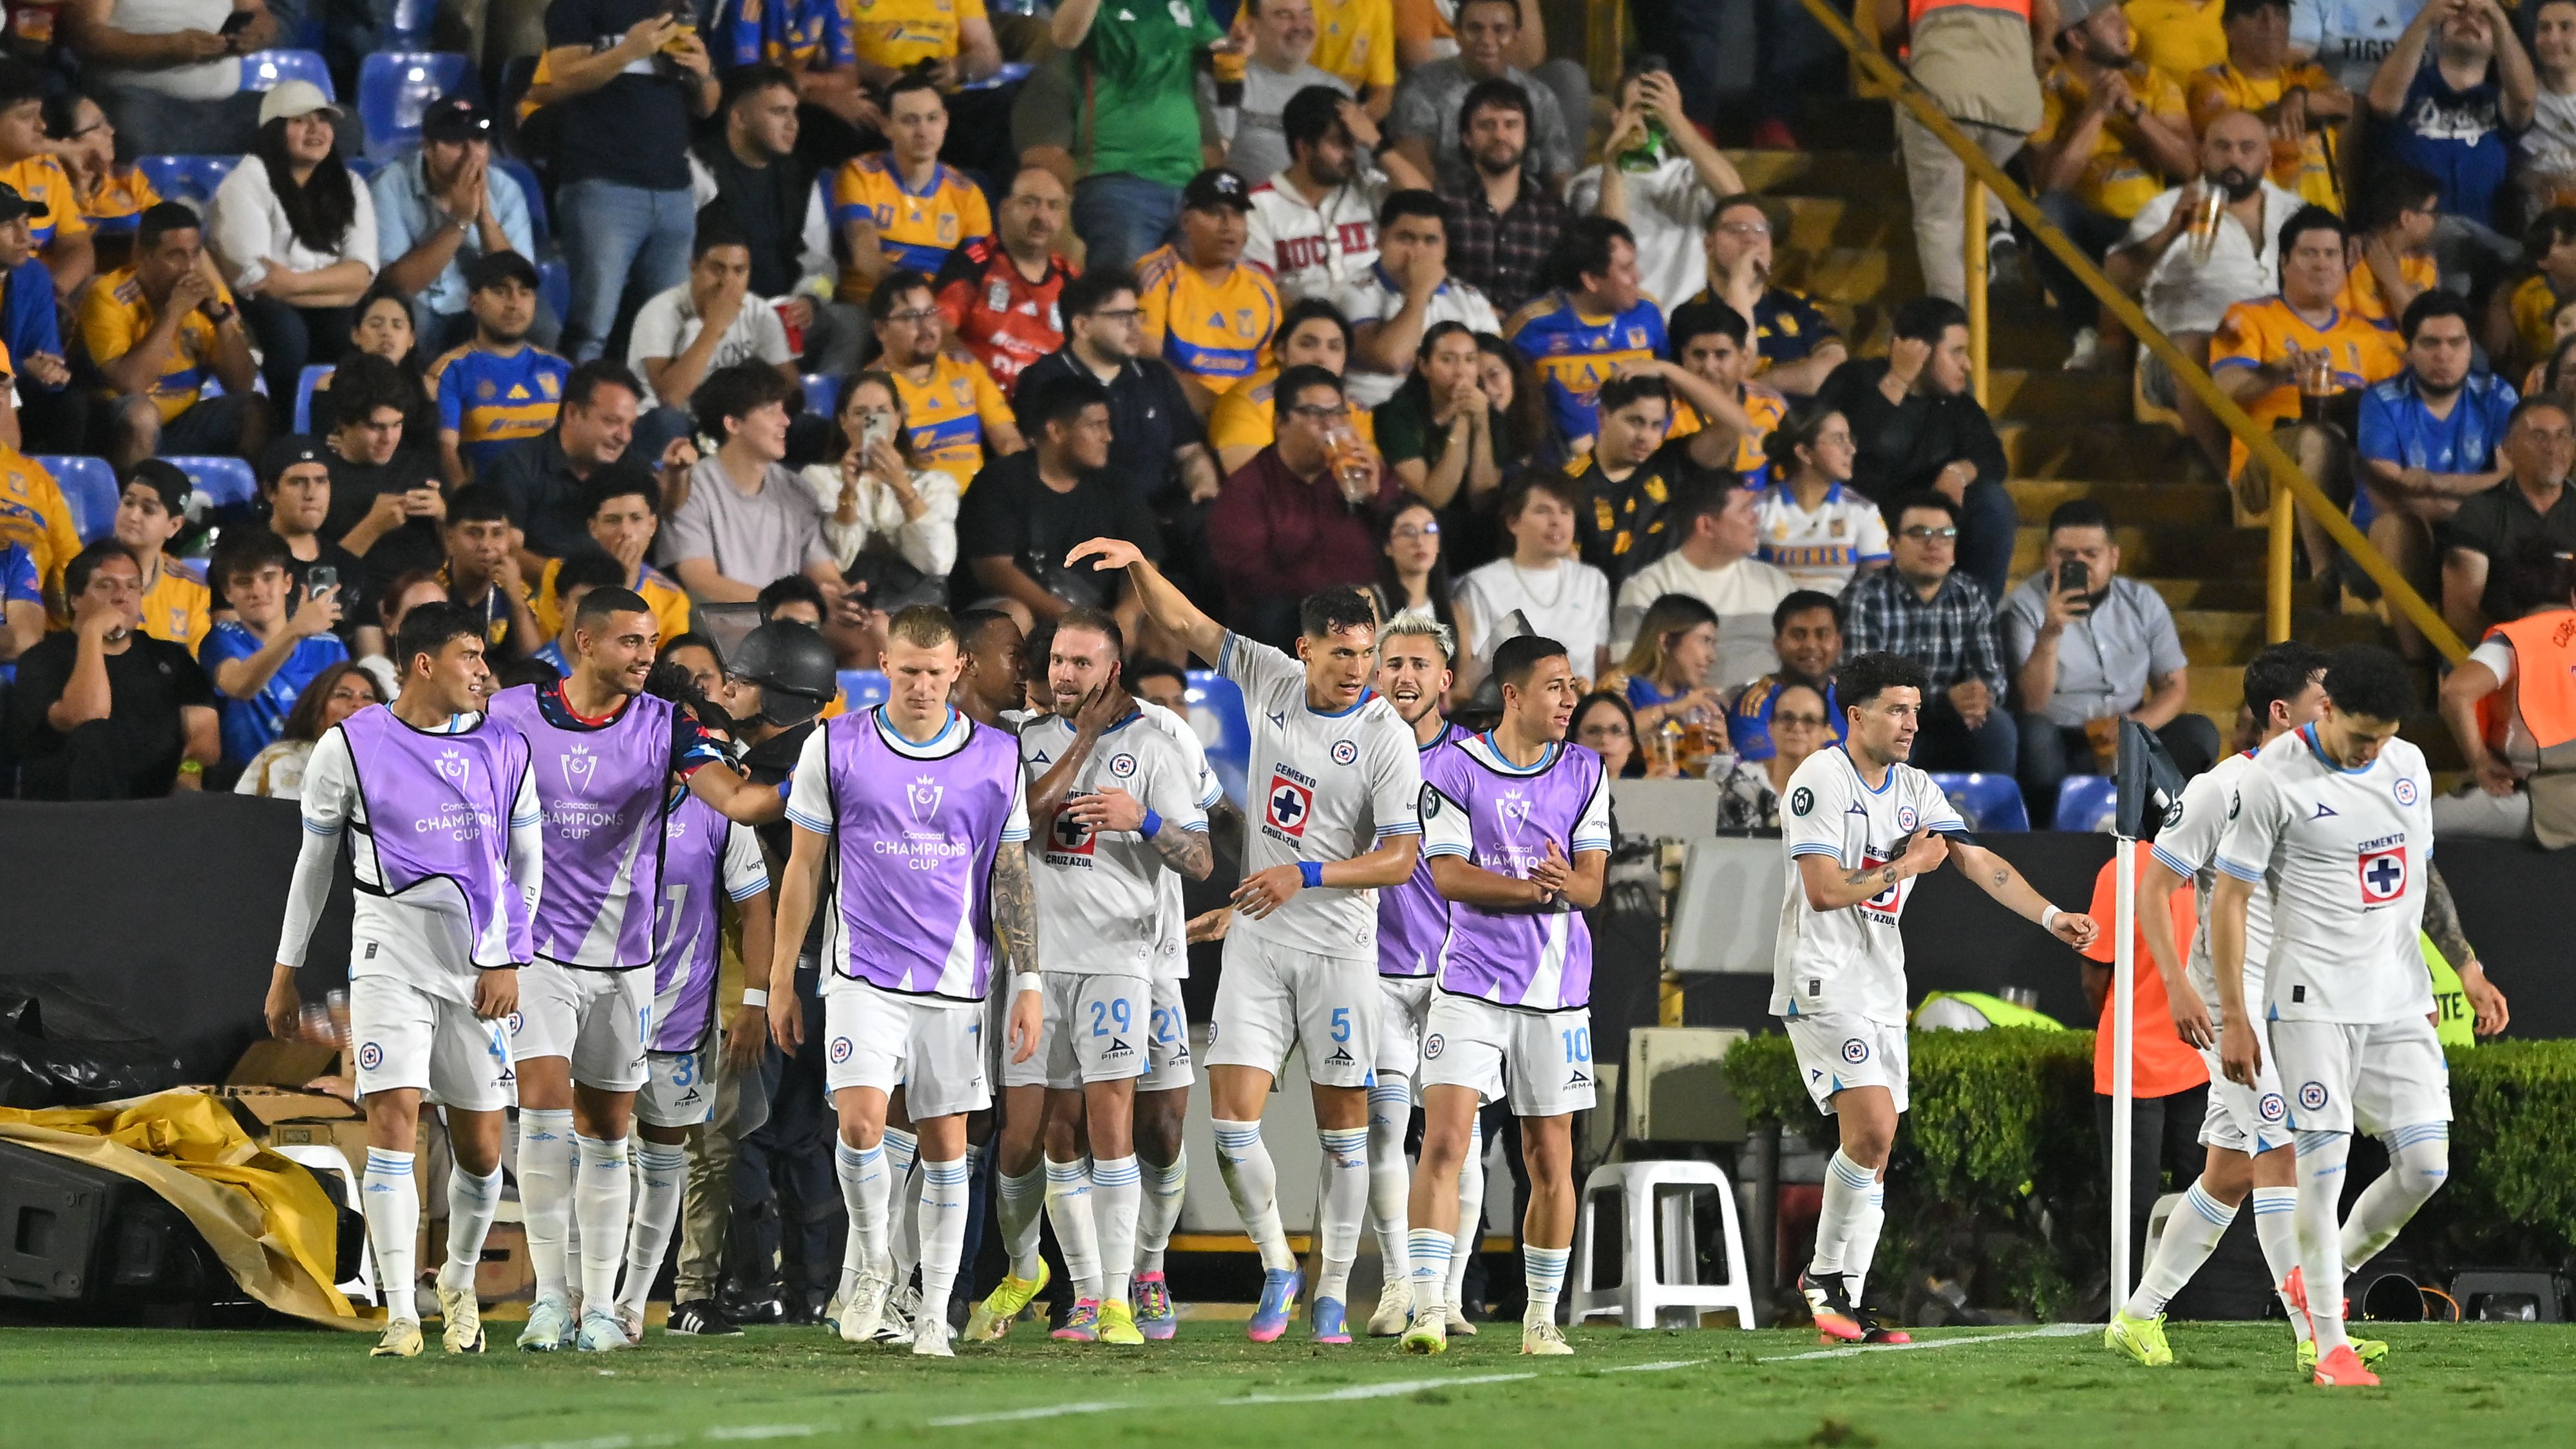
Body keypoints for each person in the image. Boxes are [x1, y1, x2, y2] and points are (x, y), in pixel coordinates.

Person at [1061, 538, 1423, 1347]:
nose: (1356, 668)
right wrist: (1138, 563)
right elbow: (1185, 621)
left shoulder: (1386, 736)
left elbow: (1399, 859)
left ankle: (1332, 1292)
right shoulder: (1272, 680)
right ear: (1306, 649)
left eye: (1366, 654)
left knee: (1342, 1132)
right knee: (1230, 1128)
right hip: (1260, 943)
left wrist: (1309, 874)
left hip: (1338, 950)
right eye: (1341, 654)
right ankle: (1277, 1269)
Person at [486, 580, 784, 1352]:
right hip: (540, 951)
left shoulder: (668, 724)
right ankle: (552, 1301)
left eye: (652, 643)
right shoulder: (512, 714)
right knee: (547, 1119)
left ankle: (605, 1309)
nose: (645, 656)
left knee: (610, 1134)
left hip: (626, 964)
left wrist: (807, 782)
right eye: (630, 641)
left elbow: (735, 801)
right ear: (582, 642)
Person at [1777, 650, 2098, 1343]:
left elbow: (1978, 860)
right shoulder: (1820, 780)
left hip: (1879, 983)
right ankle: (1827, 1281)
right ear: (1855, 714)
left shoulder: (1915, 787)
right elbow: (1824, 890)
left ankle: (1841, 1300)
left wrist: (2051, 917)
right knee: (1871, 1131)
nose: (1910, 724)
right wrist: (1905, 864)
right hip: (1822, 978)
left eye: (1916, 712)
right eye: (1896, 710)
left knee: (1875, 1148)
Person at [2208, 645, 2507, 1386]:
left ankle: (2325, 1270)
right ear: (2326, 710)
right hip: (2309, 1003)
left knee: (2425, 1165)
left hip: (2398, 998)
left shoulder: (2405, 764)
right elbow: (2229, 900)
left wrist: (2465, 966)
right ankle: (2329, 1343)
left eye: (2383, 736)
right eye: (2359, 737)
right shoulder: (2273, 780)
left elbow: (2418, 872)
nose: (2371, 751)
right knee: (2322, 1171)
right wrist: (2238, 1018)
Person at [763, 605, 1042, 1359]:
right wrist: (782, 979)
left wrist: (1030, 981)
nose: (921, 685)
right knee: (859, 1124)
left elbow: (1010, 874)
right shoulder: (835, 745)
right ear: (883, 666)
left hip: (957, 978)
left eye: (935, 671)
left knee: (947, 1145)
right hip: (862, 972)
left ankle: (930, 1315)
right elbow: (803, 868)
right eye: (907, 670)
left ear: (959, 671)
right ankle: (872, 1264)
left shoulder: (995, 756)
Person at [258, 599, 531, 1359]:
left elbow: (528, 866)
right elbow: (313, 868)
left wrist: (509, 954)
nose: (485, 672)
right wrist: (285, 971)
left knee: (480, 1150)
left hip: (477, 963)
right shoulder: (348, 746)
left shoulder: (506, 746)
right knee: (394, 1125)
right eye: (471, 656)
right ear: (423, 663)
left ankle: (459, 1283)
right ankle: (401, 1313)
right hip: (388, 954)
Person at [2102, 641, 2324, 1367]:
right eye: (2326, 701)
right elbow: (2151, 889)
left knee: (2228, 1173)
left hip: (2289, 1007)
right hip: (2232, 1015)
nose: (2339, 715)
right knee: (2282, 1149)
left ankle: (2137, 1316)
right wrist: (2177, 986)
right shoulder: (2218, 789)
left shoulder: (2324, 793)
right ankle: (2315, 1338)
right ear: (2282, 712)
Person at [998, 609, 1213, 1345]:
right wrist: (1081, 742)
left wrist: (1143, 820)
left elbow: (1203, 860)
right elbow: (1017, 824)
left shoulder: (1157, 742)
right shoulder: (1022, 740)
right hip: (1039, 964)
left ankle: (1134, 1282)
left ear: (1111, 670)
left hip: (1127, 959)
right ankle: (1088, 1296)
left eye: (1081, 663)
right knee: (1058, 1131)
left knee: (1138, 1126)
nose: (1064, 674)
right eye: (1057, 660)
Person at [1401, 631, 1605, 1356]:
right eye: (1556, 686)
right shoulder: (1453, 767)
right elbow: (1450, 876)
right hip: (1471, 983)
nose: (1571, 699)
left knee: (1551, 1157)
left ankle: (1540, 1319)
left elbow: (1590, 885)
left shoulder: (1585, 769)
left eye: (1573, 685)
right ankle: (1427, 1309)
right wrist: (1537, 890)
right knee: (1446, 1141)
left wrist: (1560, 890)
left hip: (1558, 991)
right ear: (1513, 694)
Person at [614, 662, 774, 1343]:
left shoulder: (718, 814)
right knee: (592, 1153)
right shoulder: (593, 801)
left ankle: (688, 1294)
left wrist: (754, 1001)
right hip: (600, 1008)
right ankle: (582, 1294)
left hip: (691, 1014)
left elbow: (755, 909)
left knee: (705, 1159)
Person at [1356, 612, 1472, 1338]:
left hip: (1456, 974)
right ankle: (1399, 1283)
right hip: (1372, 969)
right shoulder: (1353, 749)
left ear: (1445, 679)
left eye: (1418, 665)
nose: (1404, 676)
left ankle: (1449, 1292)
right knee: (1383, 1128)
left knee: (1456, 1139)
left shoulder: (1473, 761)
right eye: (1391, 663)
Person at [2108, 111, 2310, 463]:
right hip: (2183, 356)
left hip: (2275, 342)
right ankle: (2234, 481)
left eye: (2247, 148)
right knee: (2194, 347)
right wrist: (2172, 231)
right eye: (2223, 147)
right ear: (2203, 156)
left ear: (2268, 158)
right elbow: (2114, 280)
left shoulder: (2299, 213)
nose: (2234, 157)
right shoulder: (2168, 208)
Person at [2211, 205, 2404, 574]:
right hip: (2264, 460)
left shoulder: (2367, 336)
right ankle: (2324, 573)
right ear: (2284, 262)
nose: (2322, 264)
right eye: (2309, 253)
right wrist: (2281, 371)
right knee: (2319, 439)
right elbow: (2225, 389)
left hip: (2348, 452)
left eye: (2331, 254)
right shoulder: (2245, 317)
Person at [2003, 498, 2215, 820]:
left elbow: (2174, 688)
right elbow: (2030, 704)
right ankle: (2050, 839)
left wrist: (2134, 727)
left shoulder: (2143, 601)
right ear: (2048, 557)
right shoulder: (2023, 605)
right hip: (2063, 738)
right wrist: (2050, 634)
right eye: (2066, 555)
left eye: (2091, 554)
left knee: (2199, 732)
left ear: (2113, 557)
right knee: (2034, 735)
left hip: (2131, 730)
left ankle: (2167, 829)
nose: (2080, 563)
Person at [540, 0, 717, 364]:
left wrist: (705, 73)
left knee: (670, 333)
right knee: (591, 329)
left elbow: (707, 106)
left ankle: (653, 420)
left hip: (674, 190)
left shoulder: (675, 7)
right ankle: (575, 415)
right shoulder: (574, 7)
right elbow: (562, 80)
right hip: (602, 186)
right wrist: (627, 52)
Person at [1812, 297, 2014, 601]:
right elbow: (1845, 446)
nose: (1968, 365)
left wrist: (1958, 473)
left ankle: (1976, 613)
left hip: (1928, 527)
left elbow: (1992, 459)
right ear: (1918, 350)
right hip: (1859, 519)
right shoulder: (1855, 379)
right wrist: (1898, 380)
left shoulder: (1957, 404)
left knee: (1993, 501)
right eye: (1957, 352)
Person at [2032, 0, 2199, 365]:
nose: (2126, 28)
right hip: (2089, 229)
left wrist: (2135, 113)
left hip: (2154, 224)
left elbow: (2188, 167)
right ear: (2076, 37)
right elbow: (2051, 185)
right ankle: (2086, 330)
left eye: (2122, 16)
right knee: (2047, 212)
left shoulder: (2152, 80)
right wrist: (2095, 112)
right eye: (2109, 20)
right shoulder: (2050, 89)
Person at [2358, 291, 2517, 657]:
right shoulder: (2382, 400)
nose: (2443, 354)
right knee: (2399, 526)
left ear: (2470, 347)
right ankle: (2417, 666)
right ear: (2409, 349)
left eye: (2455, 342)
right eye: (2430, 343)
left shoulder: (2497, 394)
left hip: (2475, 533)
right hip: (2390, 536)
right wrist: (2473, 501)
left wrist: (2433, 483)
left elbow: (2508, 479)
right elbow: (2393, 490)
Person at [205, 83, 378, 406]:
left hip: (307, 299)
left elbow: (361, 276)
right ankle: (281, 423)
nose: (316, 129)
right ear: (274, 130)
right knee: (287, 332)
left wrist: (294, 283)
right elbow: (257, 282)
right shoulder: (247, 180)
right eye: (300, 120)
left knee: (356, 327)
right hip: (256, 306)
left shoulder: (350, 184)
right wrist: (337, 288)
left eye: (323, 120)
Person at [8, 541, 218, 798]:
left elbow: (205, 736)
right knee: (96, 736)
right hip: (70, 816)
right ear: (75, 598)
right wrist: (92, 633)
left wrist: (189, 772)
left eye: (132, 586)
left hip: (159, 806)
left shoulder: (173, 658)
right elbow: (88, 716)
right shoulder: (42, 659)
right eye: (105, 586)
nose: (122, 596)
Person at [1206, 364, 1400, 641]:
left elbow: (1408, 532)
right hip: (1296, 617)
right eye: (1315, 415)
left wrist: (1377, 497)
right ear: (1280, 424)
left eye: (1338, 414)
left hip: (1371, 604)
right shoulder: (1247, 489)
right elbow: (1248, 578)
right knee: (1271, 616)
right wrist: (1331, 603)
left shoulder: (1366, 472)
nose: (1331, 425)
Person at [1012, 267, 1224, 519]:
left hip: (1164, 512)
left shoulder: (1155, 376)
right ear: (1082, 326)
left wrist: (1203, 484)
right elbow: (1041, 465)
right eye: (1122, 317)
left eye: (1137, 314)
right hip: (1087, 518)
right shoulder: (1046, 380)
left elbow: (1190, 452)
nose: (1135, 327)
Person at [958, 373, 1165, 629]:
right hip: (1033, 614)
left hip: (1101, 619)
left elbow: (1144, 561)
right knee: (1012, 617)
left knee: (1164, 621)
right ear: (1056, 431)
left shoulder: (1119, 486)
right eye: (1095, 426)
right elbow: (993, 569)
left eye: (1107, 425)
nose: (1108, 436)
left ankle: (1158, 672)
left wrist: (1127, 614)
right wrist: (1069, 619)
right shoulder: (1002, 480)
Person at [687, 68, 850, 379]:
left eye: (794, 113)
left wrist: (810, 299)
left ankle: (826, 409)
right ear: (739, 118)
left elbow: (819, 262)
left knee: (850, 323)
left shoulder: (801, 175)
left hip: (783, 316)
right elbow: (681, 262)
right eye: (779, 112)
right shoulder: (699, 167)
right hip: (718, 319)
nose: (792, 124)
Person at [1839, 492, 2016, 775]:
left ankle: (1990, 817)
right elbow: (1864, 687)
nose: (1933, 543)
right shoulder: (1864, 597)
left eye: (1945, 534)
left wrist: (1979, 696)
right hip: (1890, 722)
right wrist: (1943, 700)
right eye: (1919, 533)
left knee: (1998, 727)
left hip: (1956, 722)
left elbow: (1993, 678)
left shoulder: (1971, 596)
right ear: (1893, 545)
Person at [79, 200, 264, 469]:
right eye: (176, 256)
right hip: (117, 425)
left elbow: (241, 384)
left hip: (184, 419)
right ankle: (136, 504)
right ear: (143, 256)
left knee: (254, 409)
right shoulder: (108, 297)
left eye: (195, 254)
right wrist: (174, 313)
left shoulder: (207, 293)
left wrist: (220, 317)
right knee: (142, 416)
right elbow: (132, 385)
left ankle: (256, 503)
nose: (190, 267)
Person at [1046, 0, 1224, 276]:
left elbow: (1216, 55)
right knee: (1120, 300)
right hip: (1119, 179)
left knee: (1185, 307)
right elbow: (1063, 37)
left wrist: (1236, 47)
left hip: (1188, 181)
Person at [2365, 0, 2533, 283]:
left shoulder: (2499, 100)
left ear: (2498, 43)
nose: (2470, 20)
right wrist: (2427, 16)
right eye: (2459, 15)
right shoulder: (2410, 86)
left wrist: (2497, 14)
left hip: (2482, 253)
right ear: (2439, 33)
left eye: (2482, 20)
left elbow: (2526, 99)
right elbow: (2381, 102)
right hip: (2412, 250)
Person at [371, 97, 540, 356]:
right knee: (406, 319)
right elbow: (397, 285)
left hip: (478, 303)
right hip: (419, 303)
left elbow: (518, 280)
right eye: (456, 143)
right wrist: (459, 221)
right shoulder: (390, 185)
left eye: (479, 141)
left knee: (538, 323)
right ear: (427, 147)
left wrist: (483, 217)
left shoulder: (504, 189)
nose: (472, 154)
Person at [1566, 63, 1742, 310]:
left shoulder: (1689, 175)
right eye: (1641, 108)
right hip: (1627, 323)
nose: (1651, 118)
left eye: (1659, 109)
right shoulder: (1591, 182)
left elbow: (1737, 198)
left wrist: (1677, 121)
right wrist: (1615, 160)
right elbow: (1612, 241)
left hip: (1687, 326)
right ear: (1617, 117)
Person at [2437, 537, 2576, 842]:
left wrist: (2480, 763)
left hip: (2542, 800)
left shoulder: (2518, 640)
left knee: (2410, 827)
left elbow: (2454, 693)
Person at [667, 362, 842, 603]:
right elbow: (699, 580)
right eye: (771, 411)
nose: (786, 422)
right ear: (733, 424)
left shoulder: (797, 489)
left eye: (784, 410)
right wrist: (782, 606)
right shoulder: (691, 487)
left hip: (791, 623)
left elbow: (823, 572)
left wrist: (845, 597)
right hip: (725, 623)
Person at [1247, 87, 1427, 307]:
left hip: (1379, 321)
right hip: (1309, 328)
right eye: (1339, 143)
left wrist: (1376, 142)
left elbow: (1424, 202)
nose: (1351, 152)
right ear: (1304, 148)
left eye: (1353, 141)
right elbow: (1259, 289)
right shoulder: (1259, 205)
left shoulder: (1367, 185)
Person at [1506, 218, 1667, 455]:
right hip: (1562, 469)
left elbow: (1672, 384)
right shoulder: (1530, 326)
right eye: (1626, 268)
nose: (1638, 277)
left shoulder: (1648, 314)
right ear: (1591, 280)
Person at [1610, 479, 1794, 685]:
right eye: (1744, 510)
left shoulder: (1776, 583)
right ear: (1707, 526)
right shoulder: (1649, 588)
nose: (1756, 517)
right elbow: (1628, 676)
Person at [829, 75, 991, 308]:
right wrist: (911, 294)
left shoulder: (968, 193)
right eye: (910, 121)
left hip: (938, 313)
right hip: (870, 304)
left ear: (945, 121)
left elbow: (980, 264)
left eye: (932, 119)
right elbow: (864, 249)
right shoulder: (860, 174)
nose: (923, 131)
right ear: (886, 125)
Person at [200, 525, 352, 772]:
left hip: (318, 777)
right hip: (246, 784)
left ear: (288, 583)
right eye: (244, 582)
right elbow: (238, 686)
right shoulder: (222, 638)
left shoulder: (330, 647)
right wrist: (294, 632)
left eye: (268, 577)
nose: (258, 591)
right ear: (228, 593)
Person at [1387, 0, 1577, 191]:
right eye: (1475, 29)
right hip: (1449, 208)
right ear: (1458, 35)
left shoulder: (1540, 97)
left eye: (1500, 30)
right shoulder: (1422, 89)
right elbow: (1415, 172)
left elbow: (1560, 175)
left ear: (1517, 37)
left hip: (1529, 214)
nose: (1486, 40)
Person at [1137, 169, 1285, 413]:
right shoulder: (1158, 273)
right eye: (1214, 213)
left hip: (1243, 414)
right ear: (1185, 221)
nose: (1228, 226)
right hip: (1177, 413)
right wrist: (1214, 409)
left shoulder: (1262, 286)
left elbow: (1272, 369)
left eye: (1237, 214)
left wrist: (1237, 415)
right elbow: (1146, 358)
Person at [630, 207, 798, 421]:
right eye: (717, 269)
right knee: (667, 421)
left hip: (730, 423)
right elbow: (670, 399)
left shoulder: (760, 313)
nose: (727, 281)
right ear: (693, 267)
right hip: (664, 423)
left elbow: (793, 392)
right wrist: (714, 327)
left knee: (803, 425)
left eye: (739, 271)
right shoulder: (659, 312)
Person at [1340, 190, 1501, 409]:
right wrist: (1419, 293)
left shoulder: (1470, 299)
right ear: (1380, 238)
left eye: (1430, 241)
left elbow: (1493, 370)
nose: (1417, 253)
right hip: (1371, 419)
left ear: (1445, 247)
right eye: (1405, 238)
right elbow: (1391, 359)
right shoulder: (1352, 292)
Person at [798, 370, 961, 584]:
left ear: (898, 420)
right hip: (847, 600)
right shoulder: (817, 479)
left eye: (882, 412)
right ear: (843, 422)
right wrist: (848, 492)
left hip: (916, 609)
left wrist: (902, 485)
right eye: (860, 413)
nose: (871, 422)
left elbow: (938, 562)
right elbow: (836, 561)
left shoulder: (936, 484)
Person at [1681, 194, 1848, 400]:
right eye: (1737, 230)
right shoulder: (1691, 314)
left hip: (1805, 428)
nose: (1751, 239)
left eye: (1761, 230)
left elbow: (1835, 368)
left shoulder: (1798, 304)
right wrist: (1739, 283)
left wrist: (1767, 382)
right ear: (1709, 245)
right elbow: (1738, 370)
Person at [2187, 0, 2351, 209]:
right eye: (2255, 13)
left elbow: (2345, 104)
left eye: (2279, 13)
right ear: (2227, 27)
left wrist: (2299, 96)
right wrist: (2283, 110)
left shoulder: (2306, 75)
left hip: (2324, 227)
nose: (2271, 24)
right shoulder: (2213, 81)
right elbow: (2229, 130)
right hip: (2257, 226)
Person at [427, 251, 571, 487]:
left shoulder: (560, 369)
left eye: (524, 293)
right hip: (490, 505)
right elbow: (446, 449)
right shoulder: (450, 370)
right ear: (473, 302)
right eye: (500, 292)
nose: (514, 303)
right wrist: (466, 503)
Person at [58, 0, 272, 158]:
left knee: (287, 117)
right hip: (139, 106)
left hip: (221, 110)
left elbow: (260, 13)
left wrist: (257, 34)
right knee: (128, 123)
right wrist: (168, 47)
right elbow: (84, 36)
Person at [2442, 395, 2576, 642]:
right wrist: (2516, 654)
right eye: (2539, 436)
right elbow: (2461, 612)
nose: (2554, 448)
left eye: (2564, 436)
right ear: (2508, 449)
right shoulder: (2481, 512)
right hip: (2496, 653)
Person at [1454, 471, 1611, 681]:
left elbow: (1602, 665)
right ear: (1513, 522)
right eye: (1542, 511)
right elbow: (1472, 675)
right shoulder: (1481, 585)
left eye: (1565, 512)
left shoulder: (1592, 581)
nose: (1556, 521)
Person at [870, 269, 1025, 480]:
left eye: (931, 313)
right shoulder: (871, 388)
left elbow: (1007, 441)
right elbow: (876, 471)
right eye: (911, 317)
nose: (926, 327)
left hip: (978, 502)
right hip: (916, 504)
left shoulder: (966, 369)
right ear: (881, 330)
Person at [1435, 79, 1571, 317]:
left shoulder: (1553, 213)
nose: (1500, 135)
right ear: (1467, 137)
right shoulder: (1442, 204)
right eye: (1486, 125)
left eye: (1511, 125)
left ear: (1526, 135)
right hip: (1459, 335)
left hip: (1529, 340)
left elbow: (1563, 293)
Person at [933, 167, 1075, 393]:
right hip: (981, 404)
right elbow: (939, 332)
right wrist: (985, 388)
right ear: (1003, 210)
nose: (1042, 216)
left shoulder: (1071, 280)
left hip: (1048, 411)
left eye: (1053, 206)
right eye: (1030, 203)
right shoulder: (975, 264)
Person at [318, 355, 448, 596]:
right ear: (343, 423)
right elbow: (318, 583)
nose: (389, 439)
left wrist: (443, 517)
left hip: (432, 605)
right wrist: (373, 527)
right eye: (375, 427)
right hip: (357, 611)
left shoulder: (422, 466)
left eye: (397, 425)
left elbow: (462, 563)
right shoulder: (317, 480)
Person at [1374, 321, 1508, 549]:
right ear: (1423, 365)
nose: (1460, 371)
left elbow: (1482, 500)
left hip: (1477, 533)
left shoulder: (1490, 416)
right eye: (1447, 359)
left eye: (1470, 360)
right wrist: (1462, 423)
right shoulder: (1396, 415)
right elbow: (1432, 499)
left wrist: (1481, 424)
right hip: (1420, 531)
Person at [1208, 299, 1373, 474]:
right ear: (1280, 351)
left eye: (1334, 348)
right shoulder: (1247, 402)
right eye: (1308, 344)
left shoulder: (1355, 409)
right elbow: (1248, 482)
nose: (1322, 358)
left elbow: (1380, 478)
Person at [529, 470, 692, 644]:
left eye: (636, 519)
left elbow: (665, 665)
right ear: (593, 528)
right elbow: (555, 647)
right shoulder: (559, 573)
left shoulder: (672, 598)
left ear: (652, 525)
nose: (625, 532)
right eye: (612, 520)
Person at [1211, 0, 1356, 185]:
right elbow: (1214, 158)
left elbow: (1355, 170)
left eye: (1306, 14)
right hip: (1248, 206)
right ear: (1251, 26)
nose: (1300, 25)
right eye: (1284, 16)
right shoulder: (1228, 80)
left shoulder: (1339, 92)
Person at [1755, 408, 1891, 594]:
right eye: (1838, 439)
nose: (1851, 449)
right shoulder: (1757, 508)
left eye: (1850, 439)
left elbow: (1877, 585)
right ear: (1804, 452)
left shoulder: (1863, 510)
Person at [0, 61, 92, 299]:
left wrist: (51, 295)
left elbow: (78, 245)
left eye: (40, 114)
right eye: (27, 117)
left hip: (39, 295)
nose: (42, 126)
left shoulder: (45, 168)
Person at [45, 88, 158, 274]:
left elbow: (170, 225)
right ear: (66, 143)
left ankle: (221, 302)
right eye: (97, 126)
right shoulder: (46, 190)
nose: (111, 131)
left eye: (106, 122)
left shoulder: (126, 178)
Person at [233, 659, 384, 798]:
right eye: (343, 695)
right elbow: (239, 818)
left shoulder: (392, 767)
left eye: (367, 697)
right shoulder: (279, 759)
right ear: (316, 711)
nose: (357, 704)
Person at [1732, 589, 1846, 761]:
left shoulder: (1853, 699)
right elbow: (1770, 773)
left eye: (1822, 634)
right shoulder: (1755, 705)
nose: (1810, 645)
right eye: (1798, 635)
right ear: (1777, 644)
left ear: (1838, 643)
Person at [108, 459, 209, 651]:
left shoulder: (192, 591)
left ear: (174, 526)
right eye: (128, 503)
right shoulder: (87, 572)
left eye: (148, 510)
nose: (133, 515)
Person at [439, 485, 543, 657]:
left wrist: (517, 602)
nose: (487, 546)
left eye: (497, 533)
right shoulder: (430, 590)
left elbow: (536, 665)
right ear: (449, 539)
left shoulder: (517, 591)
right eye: (474, 533)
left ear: (510, 539)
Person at [1715, 678, 1829, 829]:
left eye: (1809, 721)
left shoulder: (1841, 794)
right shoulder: (1741, 787)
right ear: (1771, 728)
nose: (1797, 727)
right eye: (1787, 718)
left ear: (1826, 733)